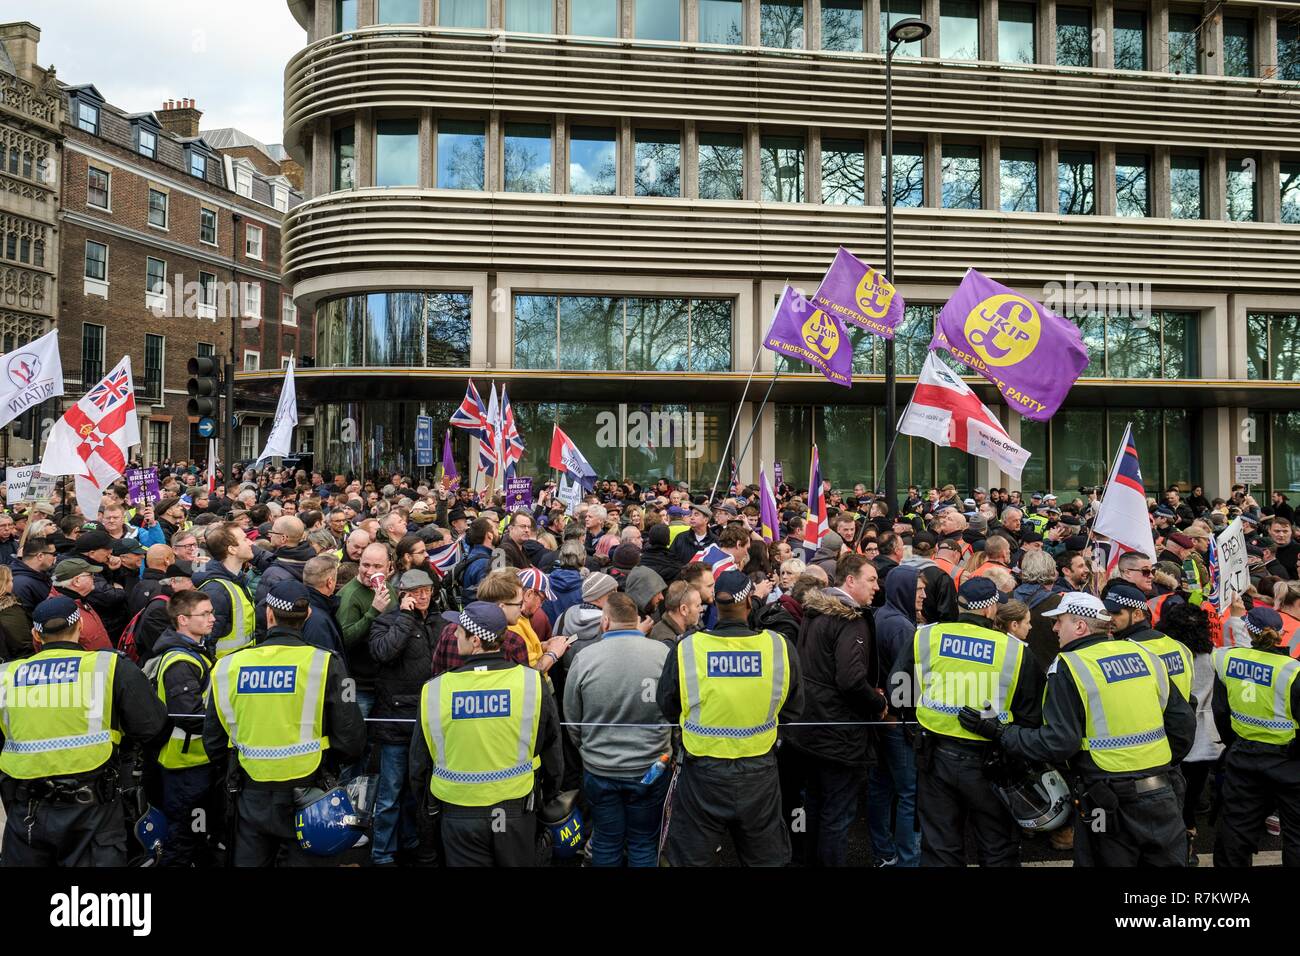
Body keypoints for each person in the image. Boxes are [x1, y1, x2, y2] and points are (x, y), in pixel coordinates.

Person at [961, 592, 1196, 867]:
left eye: (1059, 621)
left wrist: (1000, 733)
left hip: (1106, 800)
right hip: (1161, 793)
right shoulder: (1145, 656)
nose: (1054, 628)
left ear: (1081, 626)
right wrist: (1156, 765)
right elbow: (1183, 725)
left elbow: (1059, 742)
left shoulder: (1069, 666)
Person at [203, 579, 366, 867]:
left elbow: (214, 740)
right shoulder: (326, 662)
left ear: (269, 614)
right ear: (308, 615)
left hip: (249, 790)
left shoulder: (229, 666)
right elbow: (350, 734)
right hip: (310, 791)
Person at [0, 596, 167, 866]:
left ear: (36, 634)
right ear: (80, 627)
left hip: (27, 810)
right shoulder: (108, 667)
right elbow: (152, 727)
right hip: (92, 809)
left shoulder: (6, 675)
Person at [890, 577, 1045, 866]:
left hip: (934, 757)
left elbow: (899, 691)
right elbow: (1032, 713)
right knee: (997, 846)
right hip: (991, 762)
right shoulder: (1014, 650)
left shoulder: (927, 636)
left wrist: (918, 721)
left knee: (939, 848)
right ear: (989, 610)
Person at [656, 569, 805, 866]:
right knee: (767, 859)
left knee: (690, 859)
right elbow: (794, 708)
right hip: (758, 771)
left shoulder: (688, 647)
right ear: (751, 602)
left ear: (715, 605)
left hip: (702, 772)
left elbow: (668, 704)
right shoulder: (777, 647)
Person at [409, 601, 564, 867]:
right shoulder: (531, 683)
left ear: (476, 640)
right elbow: (552, 752)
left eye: (459, 630)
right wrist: (547, 797)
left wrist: (429, 809)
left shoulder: (435, 690)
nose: (454, 634)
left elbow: (419, 764)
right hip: (516, 808)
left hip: (458, 813)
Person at [787, 554, 887, 867]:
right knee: (836, 815)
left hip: (812, 728)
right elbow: (851, 679)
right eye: (871, 580)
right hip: (838, 732)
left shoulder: (815, 611)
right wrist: (878, 701)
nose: (876, 586)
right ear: (850, 581)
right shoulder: (849, 618)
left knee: (816, 804)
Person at [563, 592, 671, 866]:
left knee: (606, 841)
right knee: (643, 842)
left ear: (606, 621)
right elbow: (674, 709)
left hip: (601, 768)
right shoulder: (662, 654)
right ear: (636, 620)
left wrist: (589, 747)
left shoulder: (585, 658)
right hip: (650, 767)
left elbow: (572, 719)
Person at [1211, 606, 1300, 867]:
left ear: (1247, 632)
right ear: (1281, 634)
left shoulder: (1227, 660)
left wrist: (1236, 743)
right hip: (1289, 762)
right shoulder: (1292, 670)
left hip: (1244, 758)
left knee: (1236, 830)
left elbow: (1221, 711)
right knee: (1296, 836)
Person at [368, 568, 442, 867]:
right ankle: (382, 853)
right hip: (396, 721)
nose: (423, 595)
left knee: (418, 791)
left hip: (428, 720)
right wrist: (404, 617)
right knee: (390, 794)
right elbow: (384, 653)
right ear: (403, 595)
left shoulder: (440, 621)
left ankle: (411, 842)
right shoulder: (385, 622)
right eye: (415, 591)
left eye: (426, 590)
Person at [152, 589, 218, 867]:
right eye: (205, 614)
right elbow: (190, 716)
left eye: (211, 612)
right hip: (186, 764)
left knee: (197, 834)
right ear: (182, 620)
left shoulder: (194, 652)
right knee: (183, 838)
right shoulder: (180, 662)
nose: (212, 619)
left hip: (197, 760)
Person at [1160, 601, 1222, 865]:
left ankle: (1173, 846)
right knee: (1193, 795)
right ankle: (1188, 845)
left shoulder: (1165, 658)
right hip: (1204, 738)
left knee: (1172, 795)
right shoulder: (1214, 656)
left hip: (1173, 736)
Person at [194, 522, 257, 660]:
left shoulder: (236, 580)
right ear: (232, 550)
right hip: (224, 670)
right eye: (245, 539)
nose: (250, 542)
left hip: (238, 665)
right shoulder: (216, 590)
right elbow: (207, 641)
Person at [649, 579, 702, 646]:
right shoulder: (665, 641)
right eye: (698, 606)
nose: (701, 609)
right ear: (683, 609)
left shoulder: (692, 628)